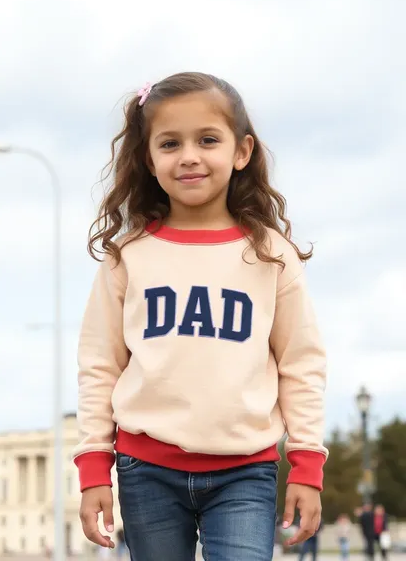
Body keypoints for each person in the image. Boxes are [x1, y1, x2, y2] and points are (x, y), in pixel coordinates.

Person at [74, 71, 328, 561]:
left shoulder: (272, 255)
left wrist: (307, 464)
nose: (188, 155)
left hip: (245, 472)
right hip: (144, 469)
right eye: (170, 143)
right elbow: (99, 365)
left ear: (241, 151)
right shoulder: (127, 256)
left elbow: (302, 364)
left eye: (207, 139)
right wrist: (92, 468)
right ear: (149, 159)